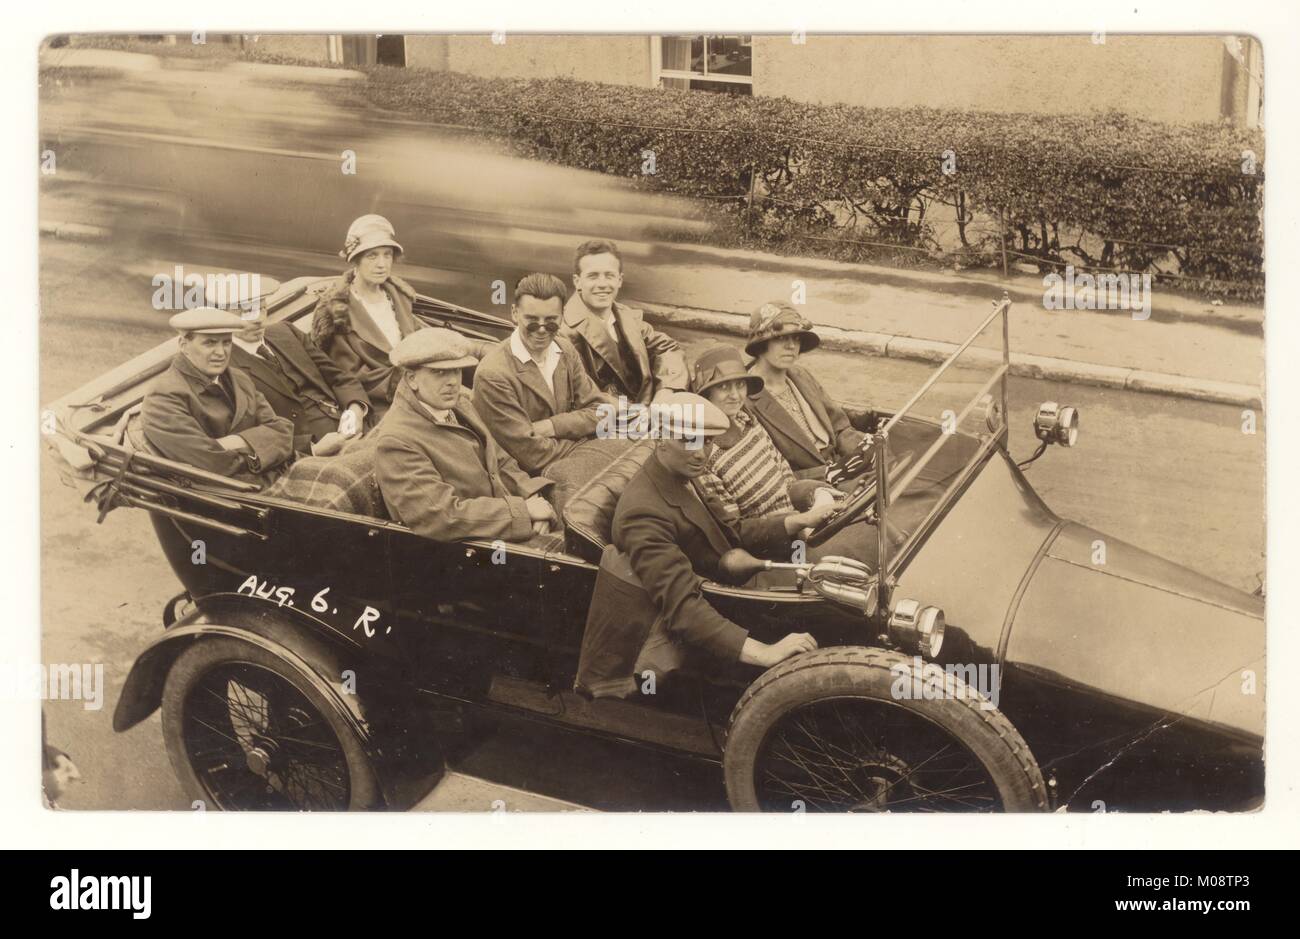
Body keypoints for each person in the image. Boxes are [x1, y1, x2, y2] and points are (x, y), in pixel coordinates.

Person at [610, 392, 838, 668]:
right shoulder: (643, 512)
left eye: (706, 441)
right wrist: (764, 652)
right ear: (659, 437)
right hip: (722, 617)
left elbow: (733, 531)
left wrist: (801, 520)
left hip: (740, 582)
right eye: (686, 440)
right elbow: (682, 607)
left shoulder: (682, 473)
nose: (700, 453)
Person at [372, 327, 557, 543]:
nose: (453, 382)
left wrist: (531, 497)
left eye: (457, 371)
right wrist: (523, 512)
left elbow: (499, 460)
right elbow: (441, 515)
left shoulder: (460, 404)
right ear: (412, 378)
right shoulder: (397, 440)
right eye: (439, 373)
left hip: (495, 526)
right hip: (458, 550)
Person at [471, 273, 612, 474]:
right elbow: (532, 455)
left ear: (562, 315)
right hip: (532, 479)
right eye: (532, 319)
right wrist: (587, 441)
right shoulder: (492, 374)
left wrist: (549, 426)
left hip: (574, 461)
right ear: (514, 313)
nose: (542, 329)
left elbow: (601, 411)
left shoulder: (565, 349)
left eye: (551, 320)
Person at [142, 308, 294, 486]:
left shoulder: (239, 379)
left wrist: (229, 444)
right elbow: (209, 463)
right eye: (210, 343)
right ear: (183, 345)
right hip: (232, 496)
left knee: (334, 472)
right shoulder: (163, 395)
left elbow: (283, 431)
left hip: (270, 477)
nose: (221, 352)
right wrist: (259, 452)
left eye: (226, 343)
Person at [308, 215, 425, 420]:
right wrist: (410, 380)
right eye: (372, 256)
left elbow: (421, 338)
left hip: (420, 390)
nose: (382, 264)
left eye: (387, 255)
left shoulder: (399, 297)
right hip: (378, 405)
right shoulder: (337, 312)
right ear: (355, 260)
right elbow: (347, 377)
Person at [745, 300, 867, 476]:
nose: (791, 346)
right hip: (809, 488)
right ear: (761, 343)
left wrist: (863, 449)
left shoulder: (799, 375)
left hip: (842, 467)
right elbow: (770, 472)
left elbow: (839, 427)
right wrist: (830, 473)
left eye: (796, 338)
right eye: (781, 338)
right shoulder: (746, 397)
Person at [561, 238, 688, 407]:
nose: (602, 284)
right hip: (603, 419)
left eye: (609, 275)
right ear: (577, 282)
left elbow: (667, 348)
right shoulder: (563, 330)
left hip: (647, 408)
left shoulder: (627, 317)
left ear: (619, 280)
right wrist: (636, 411)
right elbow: (579, 392)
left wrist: (665, 390)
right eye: (592, 276)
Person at [230, 306, 369, 457]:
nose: (257, 319)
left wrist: (355, 409)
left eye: (260, 307)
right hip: (311, 457)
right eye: (244, 311)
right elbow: (252, 437)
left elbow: (339, 377)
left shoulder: (285, 331)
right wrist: (311, 450)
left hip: (358, 428)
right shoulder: (225, 366)